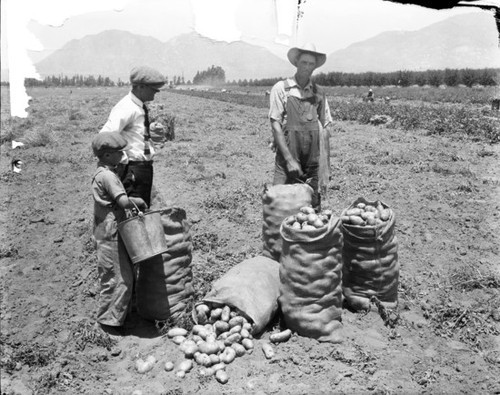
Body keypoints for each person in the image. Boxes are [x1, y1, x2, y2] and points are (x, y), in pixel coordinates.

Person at [91, 132, 148, 336]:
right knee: (118, 276)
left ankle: (122, 314)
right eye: (118, 153)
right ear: (107, 155)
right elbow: (123, 202)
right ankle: (109, 324)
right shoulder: (108, 176)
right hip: (110, 231)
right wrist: (141, 202)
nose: (122, 156)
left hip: (106, 228)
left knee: (123, 271)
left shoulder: (102, 172)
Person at [268, 43, 333, 210]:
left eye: (311, 64)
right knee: (278, 203)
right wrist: (289, 160)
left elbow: (325, 127)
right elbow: (275, 124)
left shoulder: (319, 92)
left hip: (312, 159)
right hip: (288, 158)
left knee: (312, 208)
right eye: (304, 62)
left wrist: (325, 166)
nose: (307, 67)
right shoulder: (282, 88)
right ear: (296, 63)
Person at [100, 66, 166, 207]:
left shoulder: (138, 106)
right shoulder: (126, 107)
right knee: (134, 217)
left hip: (143, 169)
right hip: (132, 170)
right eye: (153, 90)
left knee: (143, 211)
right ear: (140, 87)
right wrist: (122, 161)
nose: (155, 94)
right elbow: (105, 137)